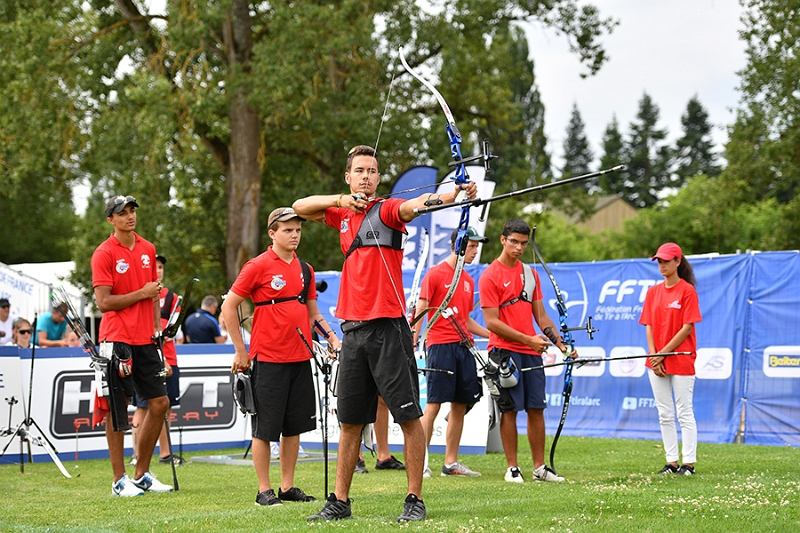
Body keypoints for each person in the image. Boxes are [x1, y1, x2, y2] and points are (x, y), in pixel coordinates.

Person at [293, 145, 477, 522]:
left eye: (373, 171)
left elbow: (419, 205)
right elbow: (299, 206)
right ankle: (340, 502)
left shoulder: (389, 209)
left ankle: (414, 499)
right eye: (360, 171)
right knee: (349, 422)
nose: (366, 176)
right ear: (348, 177)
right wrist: (341, 200)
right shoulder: (342, 213)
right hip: (352, 330)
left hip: (388, 328)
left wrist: (454, 193)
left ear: (379, 178)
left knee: (408, 417)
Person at [221, 207, 341, 507]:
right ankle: (264, 490)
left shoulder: (306, 269)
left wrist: (332, 338)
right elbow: (228, 307)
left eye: (298, 230)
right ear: (272, 233)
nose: (294, 235)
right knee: (265, 429)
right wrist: (240, 350)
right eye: (287, 230)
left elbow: (313, 314)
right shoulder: (257, 266)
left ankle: (287, 486)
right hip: (268, 358)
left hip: (300, 357)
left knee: (295, 426)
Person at [478, 218, 573, 484]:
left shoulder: (530, 274)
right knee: (510, 410)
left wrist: (562, 345)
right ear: (503, 240)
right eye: (514, 242)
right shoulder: (490, 275)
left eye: (523, 243)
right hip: (504, 353)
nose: (519, 248)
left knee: (536, 408)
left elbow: (541, 316)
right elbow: (492, 322)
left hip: (531, 352)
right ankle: (513, 468)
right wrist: (527, 339)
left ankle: (540, 468)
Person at [91, 194, 173, 496]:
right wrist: (141, 293)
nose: (130, 216)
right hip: (116, 339)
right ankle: (118, 480)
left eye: (132, 211)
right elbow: (103, 302)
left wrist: (156, 328)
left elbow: (154, 294)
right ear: (110, 219)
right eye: (122, 212)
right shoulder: (103, 253)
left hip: (145, 338)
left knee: (160, 403)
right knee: (118, 408)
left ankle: (141, 474)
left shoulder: (148, 248)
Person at [415, 227, 490, 478]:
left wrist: (492, 335)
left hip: (464, 347)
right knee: (434, 405)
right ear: (458, 246)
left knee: (460, 404)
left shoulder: (468, 280)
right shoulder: (435, 274)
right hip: (440, 346)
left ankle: (451, 463)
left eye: (477, 246)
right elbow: (422, 308)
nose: (475, 251)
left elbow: (465, 320)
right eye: (471, 246)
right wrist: (413, 340)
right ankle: (420, 462)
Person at [639, 242, 702, 476]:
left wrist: (661, 354)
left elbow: (687, 328)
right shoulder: (653, 292)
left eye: (666, 261)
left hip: (680, 359)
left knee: (684, 412)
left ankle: (689, 464)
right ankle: (671, 462)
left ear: (678, 261)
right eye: (659, 261)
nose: (662, 265)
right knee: (664, 414)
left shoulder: (687, 290)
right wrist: (654, 355)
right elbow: (648, 325)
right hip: (656, 360)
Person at [130, 254, 182, 466]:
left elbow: (173, 329)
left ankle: (165, 453)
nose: (158, 271)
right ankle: (136, 455)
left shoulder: (172, 298)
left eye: (161, 267)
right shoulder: (140, 294)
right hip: (146, 358)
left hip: (169, 357)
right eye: (154, 267)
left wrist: (162, 333)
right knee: (143, 407)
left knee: (165, 407)